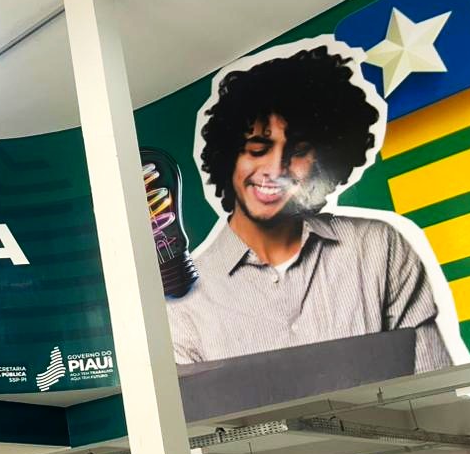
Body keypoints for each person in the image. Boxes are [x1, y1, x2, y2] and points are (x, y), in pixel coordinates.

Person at [167, 46, 453, 374]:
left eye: (299, 151)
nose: (275, 169)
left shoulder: (378, 247)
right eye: (258, 148)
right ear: (228, 157)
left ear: (323, 160)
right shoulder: (186, 302)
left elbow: (434, 384)